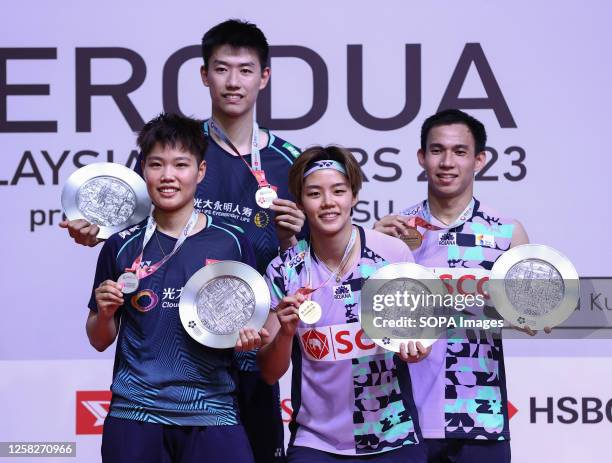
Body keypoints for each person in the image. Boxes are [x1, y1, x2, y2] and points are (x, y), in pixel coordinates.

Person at [62, 19, 304, 462]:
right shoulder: (180, 150)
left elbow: (308, 261)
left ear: (264, 76)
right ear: (204, 74)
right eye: (221, 69)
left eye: (246, 70)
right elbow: (128, 238)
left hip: (250, 348)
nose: (233, 82)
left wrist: (292, 241)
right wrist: (90, 233)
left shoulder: (289, 162)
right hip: (161, 369)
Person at [88, 113, 266, 462]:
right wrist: (106, 312)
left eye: (180, 165)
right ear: (143, 169)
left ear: (200, 171)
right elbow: (99, 338)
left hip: (212, 411)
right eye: (157, 164)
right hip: (135, 413)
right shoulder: (121, 245)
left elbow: (252, 334)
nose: (168, 176)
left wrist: (251, 341)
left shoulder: (232, 242)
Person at [374, 109, 530, 463]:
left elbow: (528, 318)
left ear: (479, 160)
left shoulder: (507, 233)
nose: (447, 162)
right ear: (421, 158)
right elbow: (365, 314)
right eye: (437, 150)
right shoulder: (394, 232)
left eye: (460, 152)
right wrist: (368, 249)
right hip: (403, 417)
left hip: (479, 414)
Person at [258, 146, 429, 463]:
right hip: (317, 444)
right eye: (314, 193)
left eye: (338, 191)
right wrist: (284, 333)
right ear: (300, 202)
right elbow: (270, 373)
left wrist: (417, 348)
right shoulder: (284, 271)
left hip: (393, 437)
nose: (328, 203)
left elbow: (420, 339)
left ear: (354, 195)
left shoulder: (392, 255)